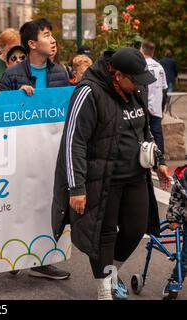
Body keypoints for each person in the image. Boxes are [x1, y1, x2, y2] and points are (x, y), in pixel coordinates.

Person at [51, 47, 171, 300]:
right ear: (117, 75)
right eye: (134, 80)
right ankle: (104, 289)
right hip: (102, 179)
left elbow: (145, 129)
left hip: (135, 175)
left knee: (135, 230)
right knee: (103, 235)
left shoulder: (134, 88)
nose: (139, 85)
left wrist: (158, 160)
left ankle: (109, 273)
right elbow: (74, 142)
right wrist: (77, 188)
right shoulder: (88, 91)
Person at [0, 18, 71, 281]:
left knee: (48, 205)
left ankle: (43, 261)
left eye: (52, 35)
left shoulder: (60, 73)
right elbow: (0, 117)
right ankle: (14, 256)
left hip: (51, 155)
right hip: (19, 155)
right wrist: (15, 98)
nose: (52, 40)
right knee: (18, 206)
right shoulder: (12, 75)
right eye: (46, 35)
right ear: (32, 44)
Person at [163, 165, 187, 298]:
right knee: (185, 258)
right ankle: (176, 279)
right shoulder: (184, 176)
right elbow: (176, 199)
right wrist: (174, 219)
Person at [140, 41, 168, 154]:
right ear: (153, 52)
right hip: (156, 107)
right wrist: (161, 107)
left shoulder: (141, 65)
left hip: (143, 106)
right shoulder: (160, 67)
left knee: (143, 134)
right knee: (157, 134)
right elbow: (164, 89)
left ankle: (146, 161)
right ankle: (160, 161)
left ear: (142, 50)